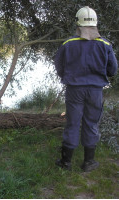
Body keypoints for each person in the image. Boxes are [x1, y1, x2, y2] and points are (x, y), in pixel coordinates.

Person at [54, 6, 118, 172]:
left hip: (74, 90)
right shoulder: (105, 44)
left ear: (78, 23)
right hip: (95, 91)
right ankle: (88, 163)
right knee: (91, 124)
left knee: (73, 123)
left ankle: (66, 162)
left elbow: (59, 67)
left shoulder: (68, 44)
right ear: (95, 24)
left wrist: (66, 77)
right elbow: (113, 70)